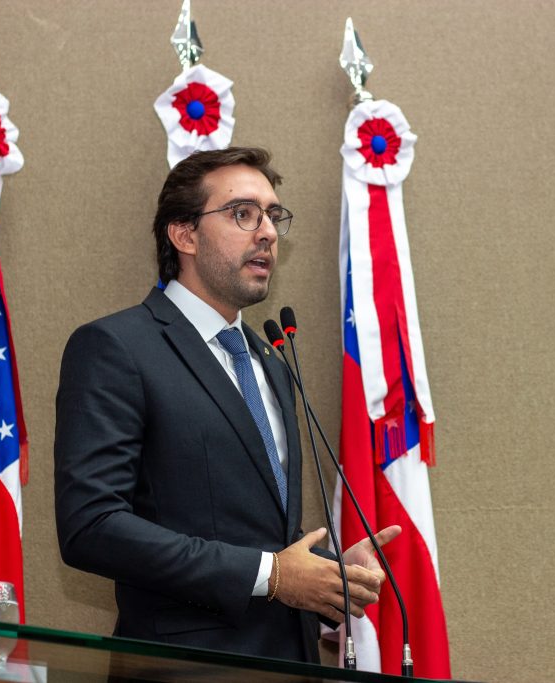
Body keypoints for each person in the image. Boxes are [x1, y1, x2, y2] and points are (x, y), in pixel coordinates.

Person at [53, 147, 400, 663]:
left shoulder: (270, 356)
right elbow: (91, 526)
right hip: (184, 668)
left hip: (290, 661)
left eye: (273, 215)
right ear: (184, 234)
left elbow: (248, 526)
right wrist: (272, 576)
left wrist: (326, 574)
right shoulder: (116, 347)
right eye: (244, 214)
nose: (268, 232)